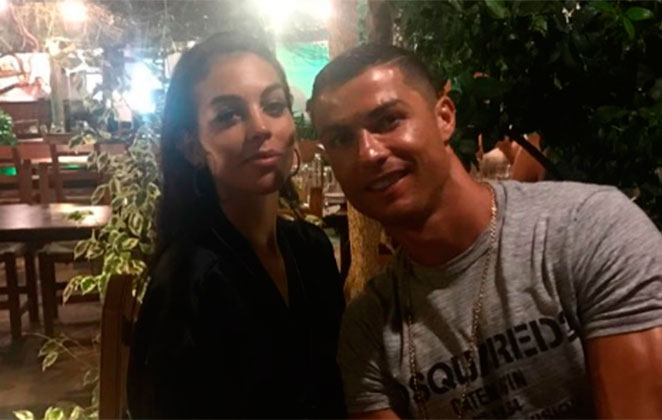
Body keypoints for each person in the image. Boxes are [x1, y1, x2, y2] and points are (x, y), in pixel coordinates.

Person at [308, 43, 662, 419]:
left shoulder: (588, 229)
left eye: (389, 120)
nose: (368, 153)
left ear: (444, 117)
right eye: (341, 139)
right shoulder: (369, 329)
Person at [127, 32, 346, 419]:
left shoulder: (311, 249)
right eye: (229, 115)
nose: (260, 128)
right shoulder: (189, 280)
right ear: (192, 146)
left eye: (273, 106)